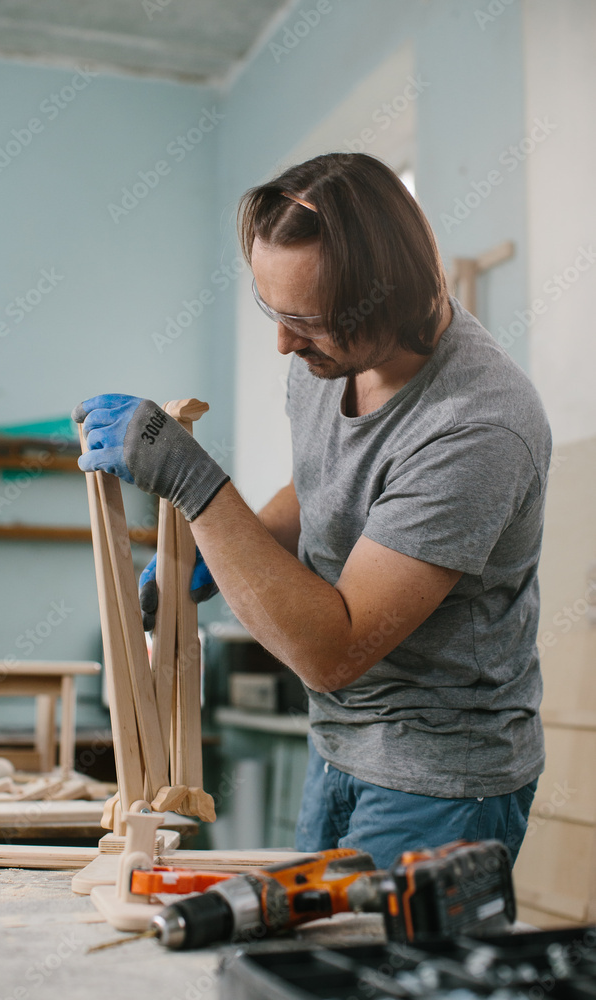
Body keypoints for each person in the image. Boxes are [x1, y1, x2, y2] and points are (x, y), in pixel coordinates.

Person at [73, 152, 551, 869]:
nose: (283, 343)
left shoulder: (476, 427)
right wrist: (242, 541)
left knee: (375, 979)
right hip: (336, 747)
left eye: (308, 321)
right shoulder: (330, 362)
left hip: (440, 779)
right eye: (273, 311)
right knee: (311, 969)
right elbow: (323, 479)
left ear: (385, 299)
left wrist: (197, 489)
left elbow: (335, 652)